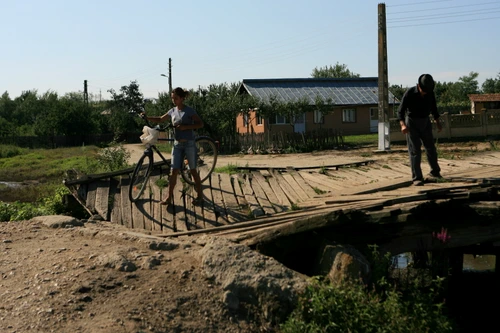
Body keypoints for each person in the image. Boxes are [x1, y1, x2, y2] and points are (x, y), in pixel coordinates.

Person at [144, 87, 204, 205]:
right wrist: (147, 117)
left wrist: (185, 127)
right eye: (172, 98)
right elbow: (161, 119)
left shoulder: (189, 111)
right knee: (173, 171)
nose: (174, 100)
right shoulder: (172, 111)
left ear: (182, 98)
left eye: (176, 98)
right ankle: (168, 197)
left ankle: (200, 196)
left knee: (192, 170)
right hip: (177, 144)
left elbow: (200, 124)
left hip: (189, 144)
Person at [397, 74, 443, 186]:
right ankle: (417, 177)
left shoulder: (430, 93)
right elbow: (400, 111)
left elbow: (434, 109)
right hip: (412, 123)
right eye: (423, 90)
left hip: (425, 121)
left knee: (430, 147)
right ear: (418, 86)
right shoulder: (409, 93)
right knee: (415, 150)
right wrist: (403, 125)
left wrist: (438, 123)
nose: (425, 93)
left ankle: (435, 172)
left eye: (427, 91)